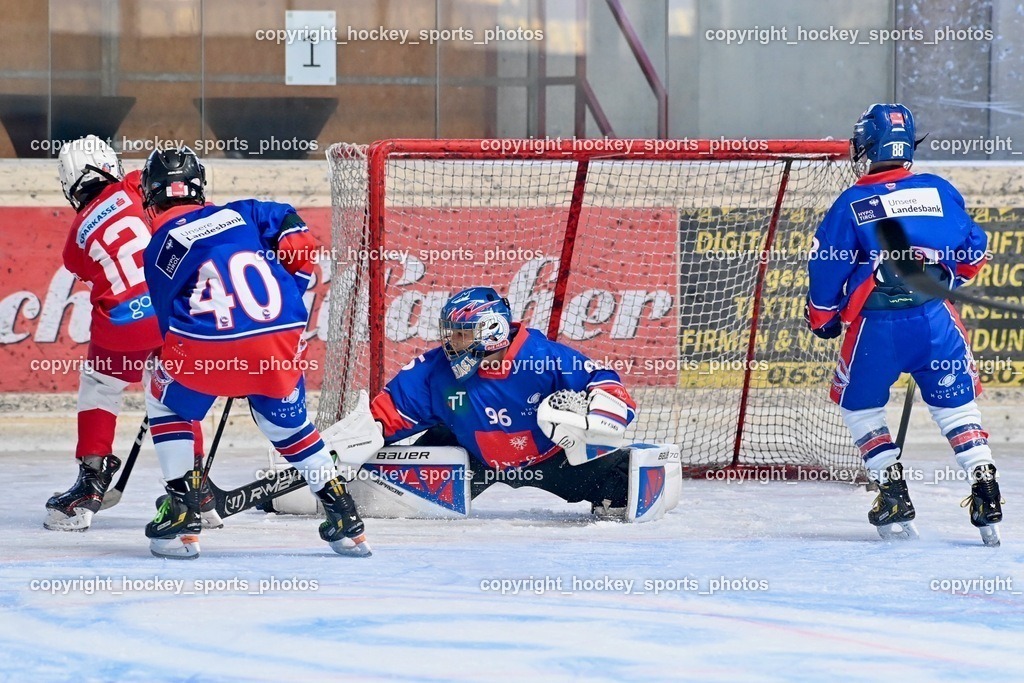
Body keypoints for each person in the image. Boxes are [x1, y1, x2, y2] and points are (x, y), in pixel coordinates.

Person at [138, 146, 370, 559]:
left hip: (210, 348)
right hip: (280, 335)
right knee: (288, 425)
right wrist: (286, 295)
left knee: (164, 395)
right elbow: (299, 242)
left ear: (151, 196)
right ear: (199, 187)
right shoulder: (243, 212)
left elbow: (167, 326)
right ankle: (343, 513)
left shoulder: (161, 246)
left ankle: (181, 509)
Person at [806, 103, 1002, 544]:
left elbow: (826, 269)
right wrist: (947, 274)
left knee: (860, 407)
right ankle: (984, 482)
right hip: (936, 321)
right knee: (956, 409)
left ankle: (892, 492)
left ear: (868, 145)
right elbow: (974, 250)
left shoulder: (852, 201)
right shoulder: (938, 190)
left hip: (878, 329)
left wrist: (823, 317)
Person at [350, 286, 680, 521]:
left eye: (462, 334)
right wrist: (337, 456)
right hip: (469, 455)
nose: (451, 342)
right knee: (382, 488)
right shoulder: (434, 370)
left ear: (491, 330)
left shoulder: (543, 358)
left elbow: (604, 382)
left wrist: (599, 419)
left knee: (623, 488)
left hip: (553, 457)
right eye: (450, 334)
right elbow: (382, 418)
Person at [45, 136, 208, 531]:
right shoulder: (136, 182)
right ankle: (197, 489)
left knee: (100, 383)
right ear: (110, 166)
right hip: (171, 308)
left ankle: (91, 480)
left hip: (121, 322)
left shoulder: (76, 236)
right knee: (174, 388)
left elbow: (86, 269)